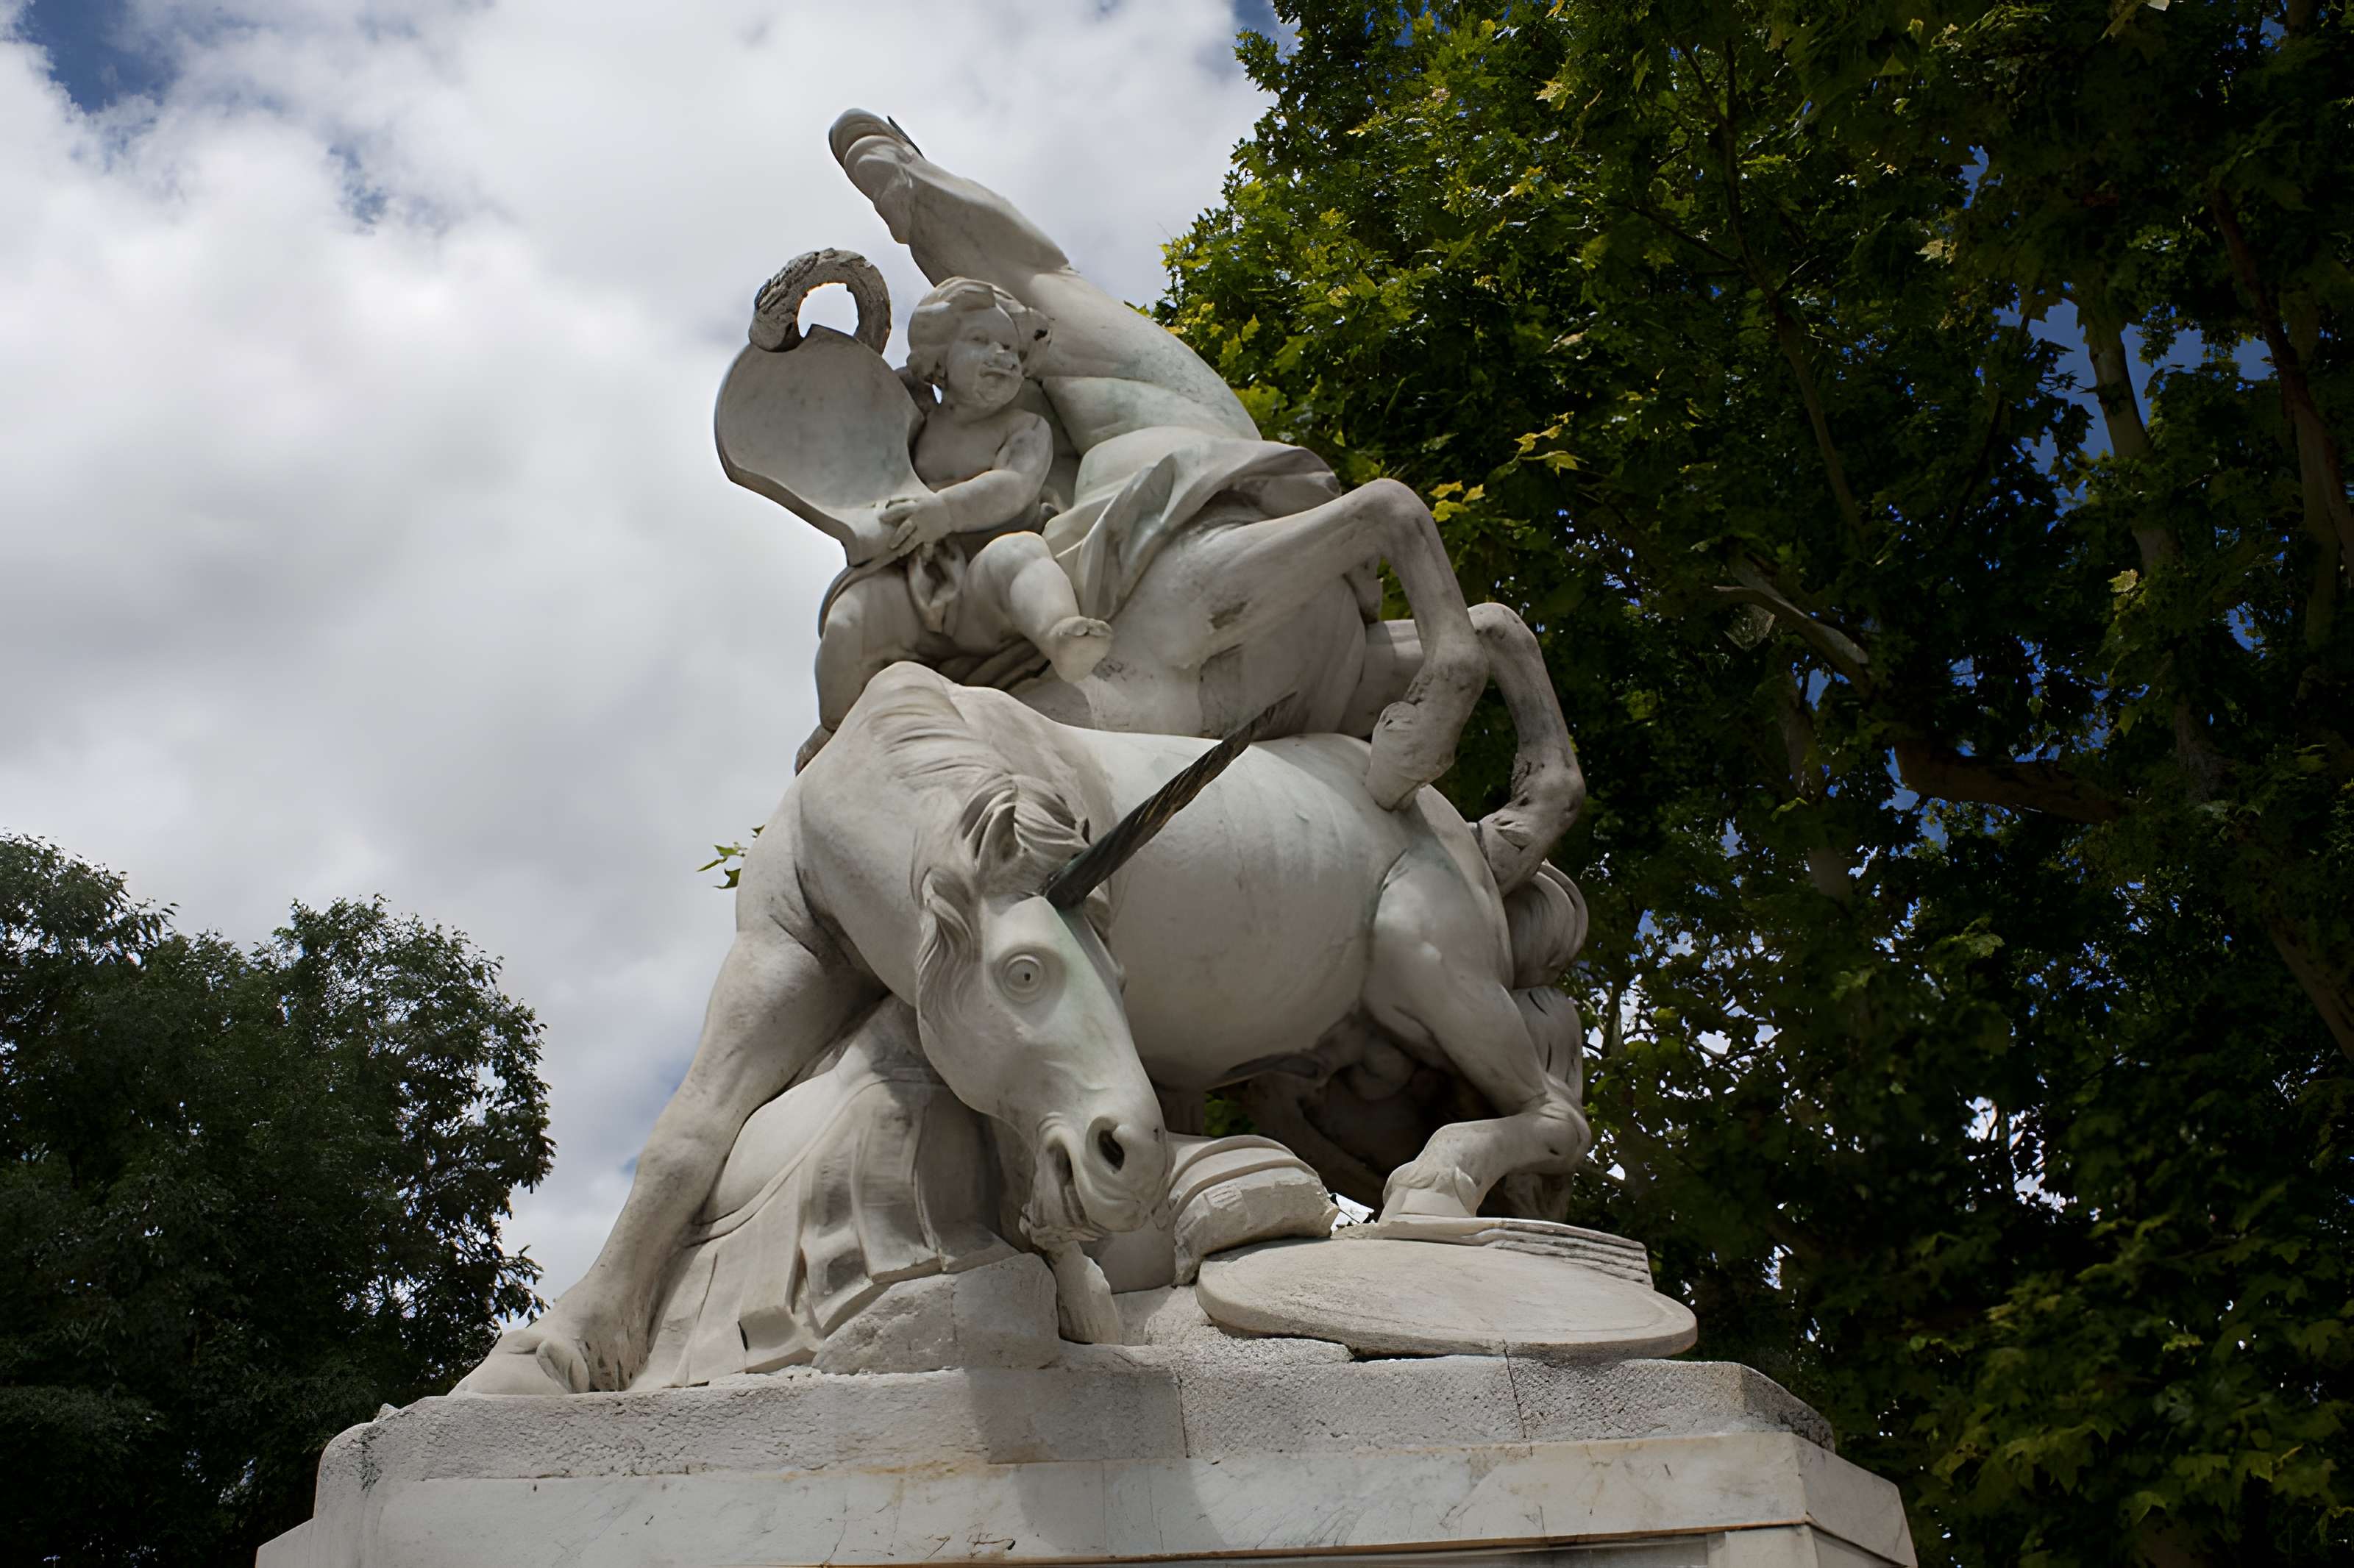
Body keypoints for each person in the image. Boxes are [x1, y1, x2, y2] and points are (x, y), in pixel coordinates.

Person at [803, 277, 1112, 766]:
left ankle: (1062, 632)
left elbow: (1014, 486)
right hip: (910, 583)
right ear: (938, 361)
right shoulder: (917, 420)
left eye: (1010, 348)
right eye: (981, 342)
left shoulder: (1025, 428)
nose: (1002, 357)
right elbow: (861, 460)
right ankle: (835, 727)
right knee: (846, 624)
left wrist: (944, 511)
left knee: (1021, 555)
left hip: (982, 589)